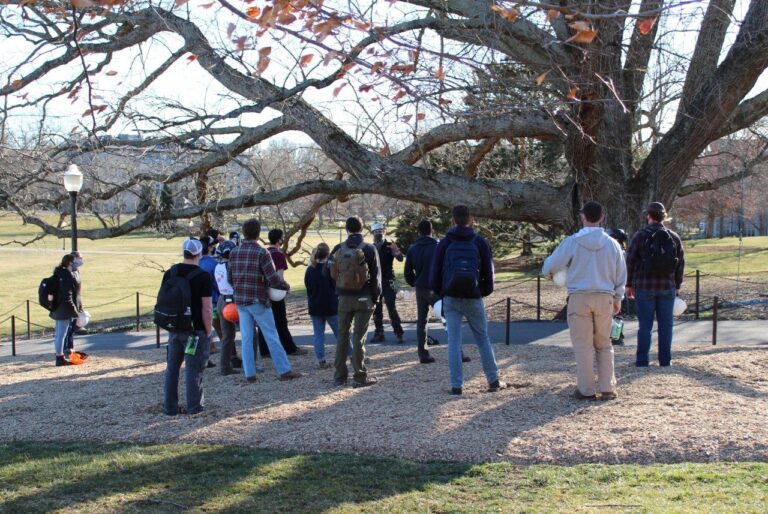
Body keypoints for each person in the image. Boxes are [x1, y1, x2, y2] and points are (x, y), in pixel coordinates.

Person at [542, 201, 626, 401]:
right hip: (605, 296)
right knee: (604, 343)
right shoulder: (613, 244)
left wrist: (550, 273)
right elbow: (621, 274)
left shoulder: (572, 242)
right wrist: (618, 297)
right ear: (602, 217)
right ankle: (607, 387)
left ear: (583, 217)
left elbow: (550, 265)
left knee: (583, 345)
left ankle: (586, 389)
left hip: (579, 297)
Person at [429, 205, 507, 395]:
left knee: (454, 341)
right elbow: (488, 271)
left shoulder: (445, 243)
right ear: (470, 219)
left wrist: (441, 292)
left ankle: (456, 385)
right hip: (473, 295)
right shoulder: (479, 242)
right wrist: (483, 291)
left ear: (453, 219)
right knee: (482, 338)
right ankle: (493, 379)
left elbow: (435, 272)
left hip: (451, 296)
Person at [228, 218, 302, 382]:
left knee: (247, 338)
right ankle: (284, 370)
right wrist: (285, 286)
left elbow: (229, 278)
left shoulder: (234, 252)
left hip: (241, 300)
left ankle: (249, 373)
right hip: (258, 300)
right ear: (258, 233)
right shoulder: (262, 252)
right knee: (271, 335)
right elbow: (272, 278)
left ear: (244, 232)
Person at [625, 202, 685, 367]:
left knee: (645, 326)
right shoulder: (674, 237)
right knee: (666, 326)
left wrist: (628, 284)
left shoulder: (640, 236)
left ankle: (642, 361)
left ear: (648, 216)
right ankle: (665, 361)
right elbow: (680, 262)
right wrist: (677, 284)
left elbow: (630, 261)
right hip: (667, 286)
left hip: (644, 286)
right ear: (664, 216)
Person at [328, 216, 381, 388]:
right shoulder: (369, 248)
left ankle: (339, 377)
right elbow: (376, 276)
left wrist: (338, 290)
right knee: (359, 337)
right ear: (362, 228)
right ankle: (359, 376)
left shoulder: (338, 248)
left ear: (347, 229)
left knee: (342, 336)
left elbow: (327, 272)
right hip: (364, 297)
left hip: (343, 298)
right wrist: (376, 297)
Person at [162, 239, 213, 415]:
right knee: (194, 369)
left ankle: (170, 407)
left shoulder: (170, 272)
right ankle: (195, 407)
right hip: (195, 330)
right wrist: (208, 329)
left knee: (172, 368)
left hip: (174, 327)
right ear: (199, 254)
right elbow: (207, 308)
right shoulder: (203, 276)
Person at [257, 228, 308, 357]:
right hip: (275, 292)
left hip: (263, 291)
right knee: (281, 321)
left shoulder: (263, 253)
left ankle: (264, 350)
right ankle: (289, 348)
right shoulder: (278, 255)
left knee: (265, 321)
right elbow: (279, 276)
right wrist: (285, 287)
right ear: (279, 240)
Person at [404, 220, 439, 364]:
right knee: (447, 319)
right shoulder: (438, 246)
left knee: (422, 321)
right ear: (431, 230)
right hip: (436, 287)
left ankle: (423, 353)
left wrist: (415, 282)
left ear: (418, 231)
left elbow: (407, 273)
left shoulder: (413, 248)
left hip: (421, 287)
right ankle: (457, 352)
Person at [304, 242, 339, 368]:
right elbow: (336, 285)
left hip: (315, 305)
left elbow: (308, 287)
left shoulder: (310, 270)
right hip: (330, 305)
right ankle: (351, 355)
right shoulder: (330, 269)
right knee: (340, 333)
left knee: (318, 335)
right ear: (328, 254)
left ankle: (321, 360)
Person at [370, 221, 405, 343]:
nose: (378, 233)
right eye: (376, 231)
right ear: (372, 233)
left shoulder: (390, 246)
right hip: (375, 282)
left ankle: (398, 332)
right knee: (376, 309)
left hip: (388, 281)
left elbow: (400, 259)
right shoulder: (370, 248)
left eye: (380, 231)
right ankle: (379, 332)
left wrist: (396, 252)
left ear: (384, 231)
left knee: (391, 307)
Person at [214, 240, 243, 375]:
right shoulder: (232, 266)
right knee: (249, 333)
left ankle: (224, 367)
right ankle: (250, 365)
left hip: (222, 300)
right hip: (233, 302)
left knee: (227, 336)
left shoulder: (218, 266)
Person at [49, 253, 82, 367]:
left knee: (59, 334)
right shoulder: (67, 276)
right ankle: (59, 358)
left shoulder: (59, 273)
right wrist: (74, 311)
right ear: (69, 263)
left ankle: (59, 356)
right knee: (61, 335)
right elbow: (67, 296)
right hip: (64, 309)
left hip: (58, 308)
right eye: (75, 262)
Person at [606, 228, 629, 346]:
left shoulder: (614, 252)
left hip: (612, 287)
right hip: (619, 287)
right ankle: (616, 336)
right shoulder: (623, 252)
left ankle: (616, 336)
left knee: (615, 314)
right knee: (617, 314)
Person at [198, 235, 220, 358]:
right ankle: (230, 355)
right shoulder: (214, 264)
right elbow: (217, 284)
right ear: (210, 247)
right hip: (214, 299)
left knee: (203, 327)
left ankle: (208, 348)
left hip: (198, 301)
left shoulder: (196, 263)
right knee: (220, 328)